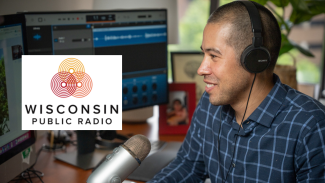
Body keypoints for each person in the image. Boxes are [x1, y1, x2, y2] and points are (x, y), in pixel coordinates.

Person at [148, 1, 325, 183]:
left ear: (254, 60)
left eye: (214, 56)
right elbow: (187, 166)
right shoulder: (209, 104)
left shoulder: (311, 127)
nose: (201, 69)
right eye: (204, 54)